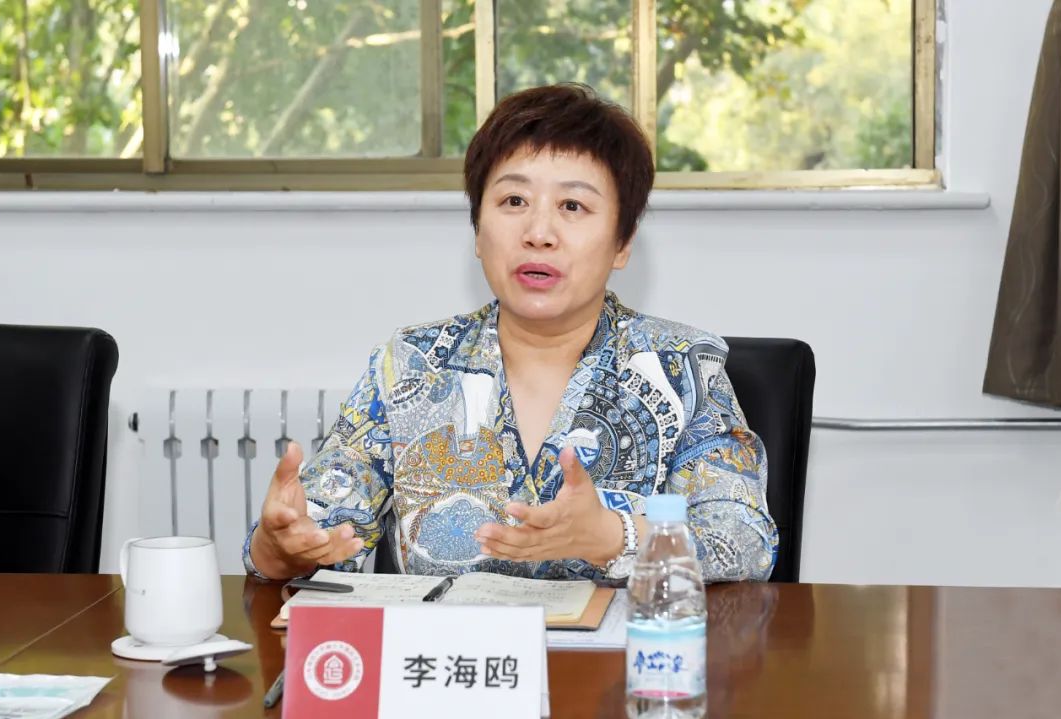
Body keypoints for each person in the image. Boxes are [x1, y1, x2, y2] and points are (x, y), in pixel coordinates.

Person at [244, 83, 777, 584]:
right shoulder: (412, 366)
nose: (538, 233)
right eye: (514, 202)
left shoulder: (680, 366)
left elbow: (746, 540)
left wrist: (617, 536)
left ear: (622, 243)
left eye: (573, 206)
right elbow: (313, 532)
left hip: (625, 653)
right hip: (451, 653)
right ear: (478, 230)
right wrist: (279, 547)